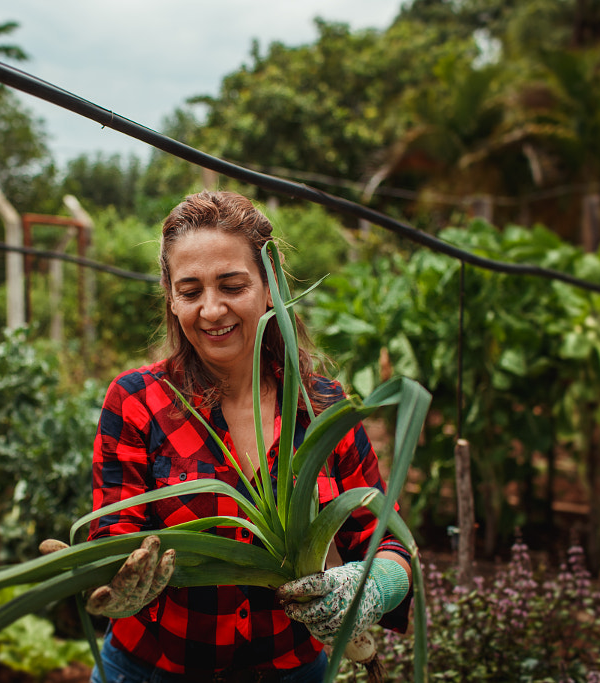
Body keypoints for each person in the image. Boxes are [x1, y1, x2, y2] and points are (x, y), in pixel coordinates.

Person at [79, 191, 412, 682]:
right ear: (171, 298)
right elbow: (115, 534)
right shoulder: (137, 400)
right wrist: (114, 573)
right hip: (153, 669)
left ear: (270, 284)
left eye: (232, 285)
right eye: (190, 291)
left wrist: (368, 587)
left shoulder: (324, 409)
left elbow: (389, 544)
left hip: (288, 671)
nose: (212, 310)